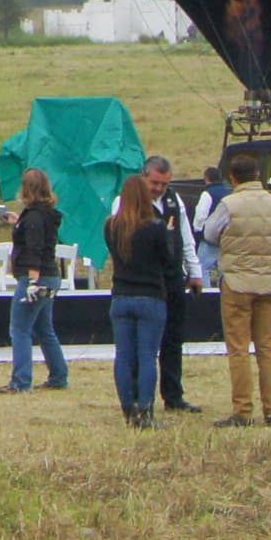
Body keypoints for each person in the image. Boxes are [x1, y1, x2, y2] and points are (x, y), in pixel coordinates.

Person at [212, 165, 271, 426]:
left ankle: (243, 411)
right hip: (269, 281)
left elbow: (211, 232)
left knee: (239, 349)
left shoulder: (229, 204)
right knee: (267, 349)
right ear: (257, 176)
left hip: (237, 281)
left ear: (233, 178)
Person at [103, 169, 181, 427]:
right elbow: (168, 263)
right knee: (148, 356)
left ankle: (128, 408)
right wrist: (168, 236)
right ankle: (145, 409)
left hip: (121, 296)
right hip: (150, 297)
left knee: (123, 356)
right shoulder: (156, 227)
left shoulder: (111, 226)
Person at [0, 168, 70, 392]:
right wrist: (18, 221)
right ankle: (59, 376)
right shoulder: (46, 214)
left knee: (19, 329)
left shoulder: (33, 218)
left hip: (36, 277)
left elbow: (34, 248)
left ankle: (21, 381)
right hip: (51, 276)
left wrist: (31, 281)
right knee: (44, 328)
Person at [143, 155, 199, 413]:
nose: (159, 189)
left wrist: (194, 270)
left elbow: (185, 236)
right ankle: (142, 398)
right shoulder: (127, 201)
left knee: (174, 340)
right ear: (144, 176)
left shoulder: (173, 199)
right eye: (155, 182)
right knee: (146, 342)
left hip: (173, 277)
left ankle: (173, 396)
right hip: (146, 280)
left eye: (164, 184)